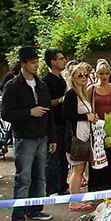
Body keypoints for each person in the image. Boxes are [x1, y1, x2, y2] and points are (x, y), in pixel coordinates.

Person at [0, 46, 56, 221]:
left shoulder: (42, 85)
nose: (36, 65)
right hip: (24, 138)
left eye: (36, 61)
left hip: (41, 137)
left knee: (39, 177)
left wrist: (52, 138)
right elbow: (6, 113)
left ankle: (35, 210)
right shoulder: (12, 86)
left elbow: (49, 113)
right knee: (23, 178)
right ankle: (18, 217)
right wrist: (29, 112)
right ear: (22, 64)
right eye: (32, 62)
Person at [63, 62, 98, 211]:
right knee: (77, 170)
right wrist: (86, 116)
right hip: (75, 137)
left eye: (85, 75)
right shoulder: (71, 94)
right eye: (80, 75)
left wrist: (91, 117)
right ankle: (74, 202)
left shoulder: (82, 93)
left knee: (80, 169)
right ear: (72, 78)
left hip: (83, 135)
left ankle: (77, 199)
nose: (84, 77)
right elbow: (66, 114)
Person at [88, 61, 111, 191]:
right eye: (101, 74)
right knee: (97, 157)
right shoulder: (91, 89)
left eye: (107, 73)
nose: (104, 76)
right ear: (97, 74)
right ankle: (96, 187)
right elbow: (87, 108)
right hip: (96, 128)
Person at [41, 49, 69, 195]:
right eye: (61, 58)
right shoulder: (45, 81)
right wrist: (61, 100)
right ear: (53, 62)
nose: (65, 61)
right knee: (52, 158)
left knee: (64, 158)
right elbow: (46, 104)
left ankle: (62, 187)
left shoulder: (62, 80)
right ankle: (50, 189)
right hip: (53, 125)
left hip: (64, 122)